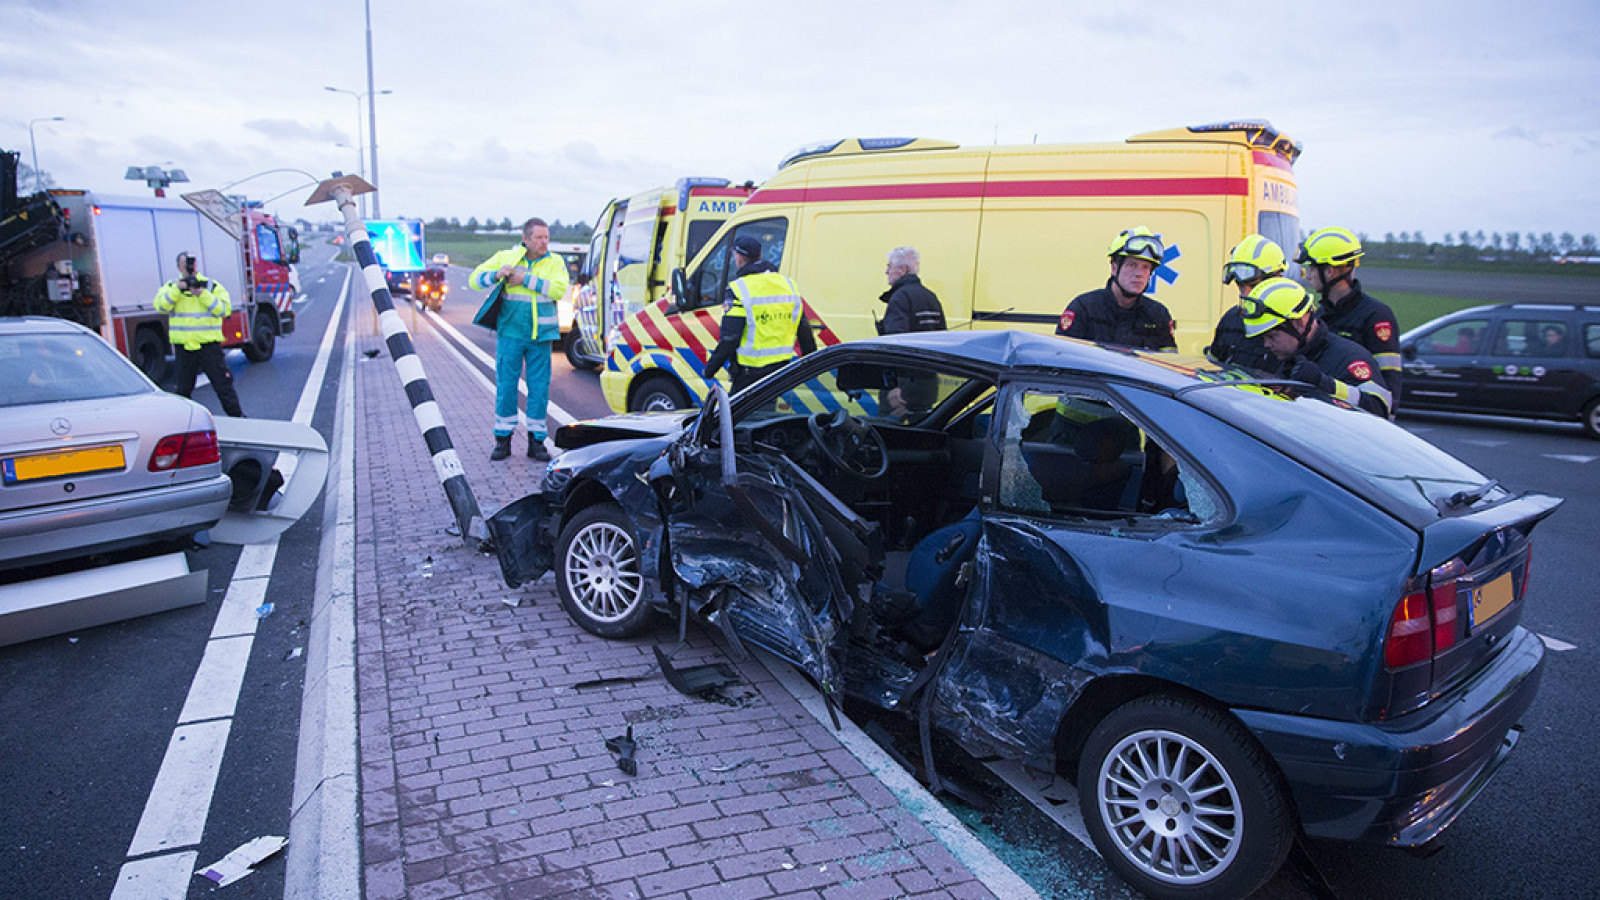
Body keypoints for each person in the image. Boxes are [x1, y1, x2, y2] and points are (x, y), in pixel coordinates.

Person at [471, 218, 570, 461]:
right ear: (525, 239)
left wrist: (525, 279)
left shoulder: (555, 261)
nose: (544, 242)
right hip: (511, 334)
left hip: (541, 337)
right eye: (539, 237)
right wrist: (497, 274)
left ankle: (536, 442)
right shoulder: (507, 256)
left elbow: (559, 289)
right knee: (506, 388)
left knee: (539, 390)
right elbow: (475, 280)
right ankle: (502, 440)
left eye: (546, 237)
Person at [1241, 277, 1392, 418]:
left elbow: (1379, 408)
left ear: (1299, 323)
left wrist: (1324, 383)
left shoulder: (1349, 357)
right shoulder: (1286, 357)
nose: (1267, 345)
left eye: (1272, 336)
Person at [1295, 227, 1402, 406]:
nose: (1309, 276)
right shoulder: (1319, 315)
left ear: (1330, 271)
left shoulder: (1375, 316)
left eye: (1312, 268)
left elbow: (1390, 381)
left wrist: (1384, 418)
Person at [703, 235, 815, 394]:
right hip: (780, 371)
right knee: (766, 416)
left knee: (737, 415)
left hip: (749, 375)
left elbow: (730, 338)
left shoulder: (739, 289)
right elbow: (803, 329)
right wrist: (810, 362)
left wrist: (710, 369)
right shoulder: (787, 284)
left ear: (739, 258)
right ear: (760, 256)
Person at [153, 251, 244, 417]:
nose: (188, 268)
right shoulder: (171, 287)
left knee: (223, 385)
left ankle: (238, 418)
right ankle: (183, 424)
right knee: (182, 389)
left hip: (208, 346)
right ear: (179, 267)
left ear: (195, 265)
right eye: (184, 264)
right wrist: (177, 291)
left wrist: (202, 294)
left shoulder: (210, 286)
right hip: (184, 348)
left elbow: (224, 310)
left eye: (190, 264)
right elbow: (160, 306)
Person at [1057, 227, 1177, 351]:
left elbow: (1169, 361)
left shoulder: (1158, 314)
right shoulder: (1084, 308)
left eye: (1145, 267)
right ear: (1114, 268)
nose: (1139, 273)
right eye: (1131, 265)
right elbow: (1063, 357)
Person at [876, 246, 945, 415]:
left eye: (889, 266)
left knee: (887, 433)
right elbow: (942, 338)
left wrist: (894, 386)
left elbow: (895, 344)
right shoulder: (930, 297)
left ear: (902, 270)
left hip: (903, 386)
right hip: (927, 384)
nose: (886, 272)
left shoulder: (900, 297)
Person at [1206, 234, 1285, 370]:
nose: (1245, 294)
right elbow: (1212, 369)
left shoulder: (1292, 325)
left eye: (1254, 286)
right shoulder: (1231, 319)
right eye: (1241, 286)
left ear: (1277, 277)